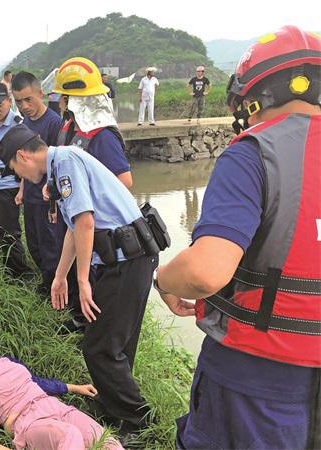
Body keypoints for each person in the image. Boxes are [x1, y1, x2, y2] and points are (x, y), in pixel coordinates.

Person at [153, 26, 321, 449]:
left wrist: (164, 280)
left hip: (257, 377)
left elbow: (207, 271)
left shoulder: (254, 152)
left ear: (254, 98)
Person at [0, 125, 160, 440]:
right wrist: (61, 276)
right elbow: (76, 227)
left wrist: (82, 280)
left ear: (22, 156)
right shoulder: (63, 162)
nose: (19, 175)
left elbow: (86, 222)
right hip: (124, 260)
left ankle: (140, 423)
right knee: (115, 344)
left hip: (126, 262)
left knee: (99, 347)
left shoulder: (66, 163)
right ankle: (113, 407)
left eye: (14, 168)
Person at [53, 56, 133, 332]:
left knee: (95, 282)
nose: (60, 103)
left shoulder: (102, 136)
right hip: (75, 222)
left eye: (63, 97)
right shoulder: (69, 129)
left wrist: (88, 202)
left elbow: (124, 182)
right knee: (78, 275)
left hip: (97, 227)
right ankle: (80, 321)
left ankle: (95, 331)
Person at [0, 339, 124, 450]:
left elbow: (37, 381)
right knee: (70, 435)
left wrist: (74, 388)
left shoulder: (7, 361)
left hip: (56, 407)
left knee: (109, 442)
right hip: (27, 421)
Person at [11, 71, 62, 294]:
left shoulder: (54, 123)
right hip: (30, 195)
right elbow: (24, 161)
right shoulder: (24, 125)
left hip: (47, 198)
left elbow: (59, 164)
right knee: (34, 243)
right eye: (19, 101)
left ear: (40, 93)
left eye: (28, 99)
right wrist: (22, 189)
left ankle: (56, 287)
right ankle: (45, 281)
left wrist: (53, 199)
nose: (24, 106)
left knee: (51, 245)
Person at [0, 81, 32, 280]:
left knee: (11, 232)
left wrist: (22, 189)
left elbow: (28, 159)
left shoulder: (19, 124)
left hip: (10, 185)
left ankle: (22, 274)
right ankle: (8, 270)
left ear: (9, 101)